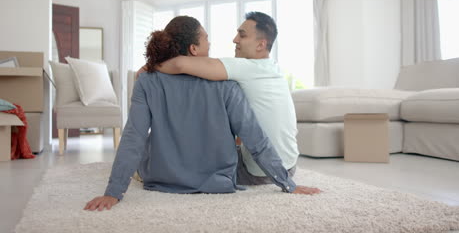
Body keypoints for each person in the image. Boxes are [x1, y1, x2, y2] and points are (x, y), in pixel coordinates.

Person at [84, 16, 320, 212]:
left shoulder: (147, 80)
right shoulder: (228, 85)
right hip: (215, 181)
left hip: (160, 177)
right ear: (193, 49)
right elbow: (254, 136)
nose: (211, 45)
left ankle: (139, 174)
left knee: (146, 143)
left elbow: (134, 136)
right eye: (206, 39)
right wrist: (286, 183)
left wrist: (114, 192)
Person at [145, 12, 299, 186]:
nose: (235, 39)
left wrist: (148, 68)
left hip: (261, 171)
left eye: (242, 35)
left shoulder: (245, 68)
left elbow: (180, 64)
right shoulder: (272, 68)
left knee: (198, 162)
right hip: (289, 165)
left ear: (260, 45)